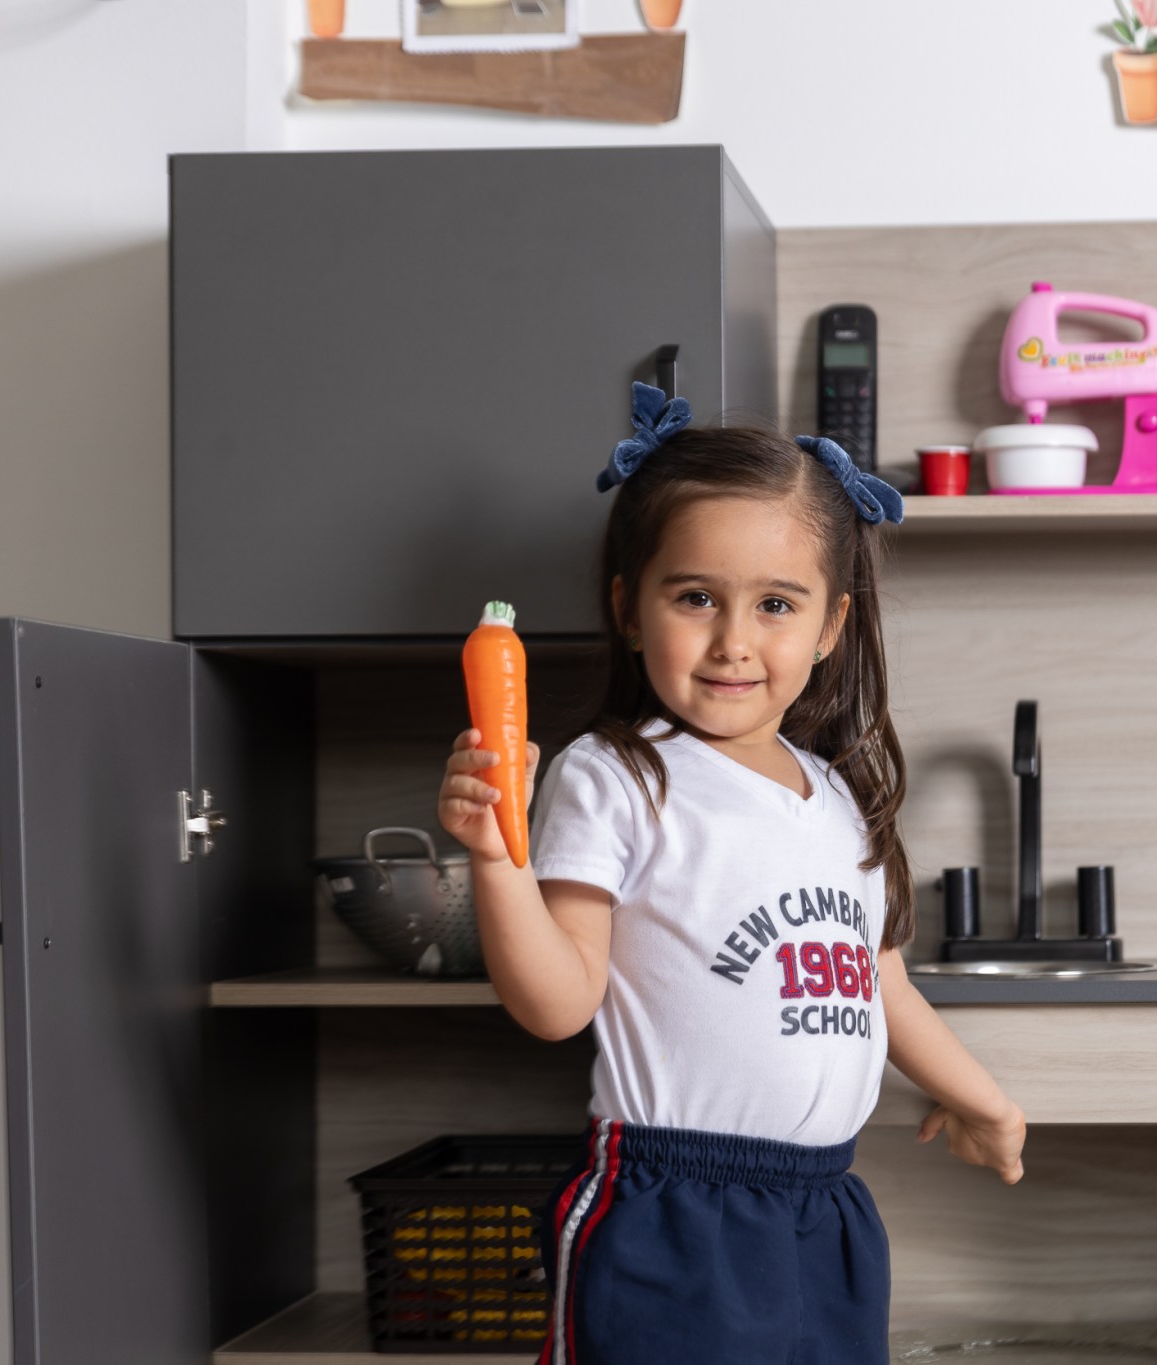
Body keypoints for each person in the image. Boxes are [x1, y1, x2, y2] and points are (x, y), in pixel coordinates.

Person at [435, 383, 1027, 1365]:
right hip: (672, 1205)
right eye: (695, 596)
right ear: (630, 608)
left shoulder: (840, 798)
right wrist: (498, 861)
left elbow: (883, 992)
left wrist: (986, 1101)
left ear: (830, 626)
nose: (733, 641)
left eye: (775, 605)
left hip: (826, 1208)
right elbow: (558, 1004)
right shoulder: (617, 776)